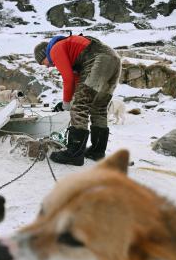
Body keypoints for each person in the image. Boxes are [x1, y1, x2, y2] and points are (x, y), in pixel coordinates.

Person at [34, 34, 122, 166]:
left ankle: (74, 153)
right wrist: (69, 100)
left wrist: (66, 104)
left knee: (80, 106)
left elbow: (68, 79)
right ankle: (97, 151)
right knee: (98, 107)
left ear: (45, 54)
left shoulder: (55, 49)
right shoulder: (70, 49)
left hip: (99, 59)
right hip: (114, 59)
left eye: (43, 62)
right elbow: (76, 82)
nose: (46, 66)